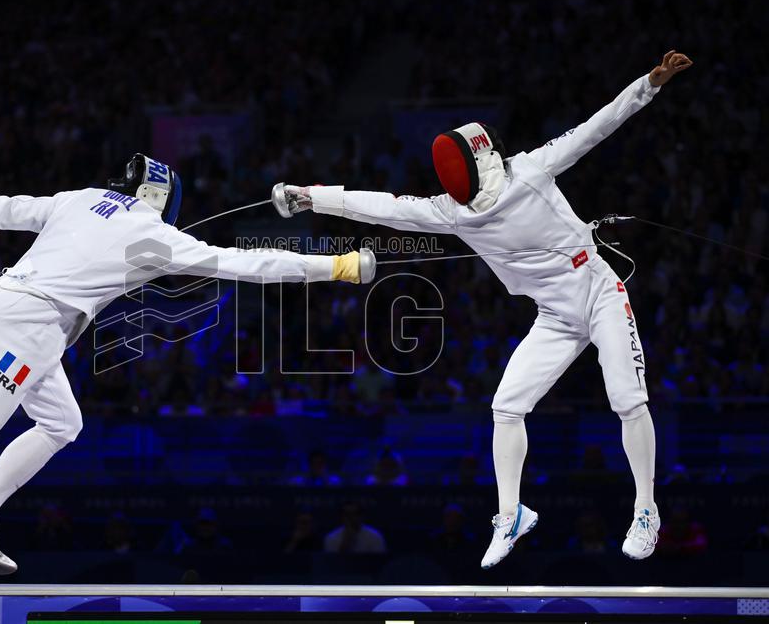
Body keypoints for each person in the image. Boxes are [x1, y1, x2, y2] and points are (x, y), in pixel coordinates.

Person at [0, 153, 376, 584]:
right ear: (160, 196)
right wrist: (336, 267)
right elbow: (245, 264)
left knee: (63, 424)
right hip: (29, 329)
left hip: (17, 316)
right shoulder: (153, 233)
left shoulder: (79, 199)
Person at [273, 51, 692, 568]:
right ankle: (511, 513)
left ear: (479, 160)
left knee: (627, 399)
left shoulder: (532, 170)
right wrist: (312, 197)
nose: (452, 184)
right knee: (506, 407)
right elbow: (383, 206)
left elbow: (597, 126)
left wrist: (649, 83)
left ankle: (646, 509)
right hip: (555, 316)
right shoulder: (451, 210)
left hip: (599, 293)